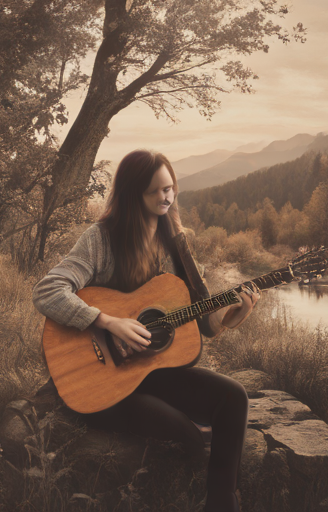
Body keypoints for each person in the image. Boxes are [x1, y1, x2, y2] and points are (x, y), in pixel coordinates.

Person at [32, 149, 260, 512]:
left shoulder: (178, 245)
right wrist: (107, 321)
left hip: (151, 371)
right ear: (131, 194)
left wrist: (236, 314)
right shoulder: (102, 238)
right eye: (154, 191)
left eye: (170, 189)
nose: (165, 197)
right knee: (188, 433)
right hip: (100, 379)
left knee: (234, 398)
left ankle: (222, 503)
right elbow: (47, 290)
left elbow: (207, 325)